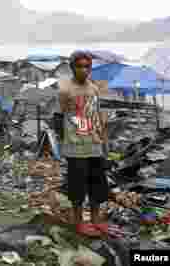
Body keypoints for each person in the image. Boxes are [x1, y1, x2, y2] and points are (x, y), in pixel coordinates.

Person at [58, 50, 109, 237]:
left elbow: (96, 115)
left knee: (98, 184)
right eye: (79, 66)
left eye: (87, 66)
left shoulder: (94, 88)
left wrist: (104, 142)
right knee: (77, 186)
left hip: (94, 144)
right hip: (75, 146)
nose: (83, 70)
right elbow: (61, 116)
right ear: (72, 67)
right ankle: (78, 222)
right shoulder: (65, 90)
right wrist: (65, 142)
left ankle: (96, 219)